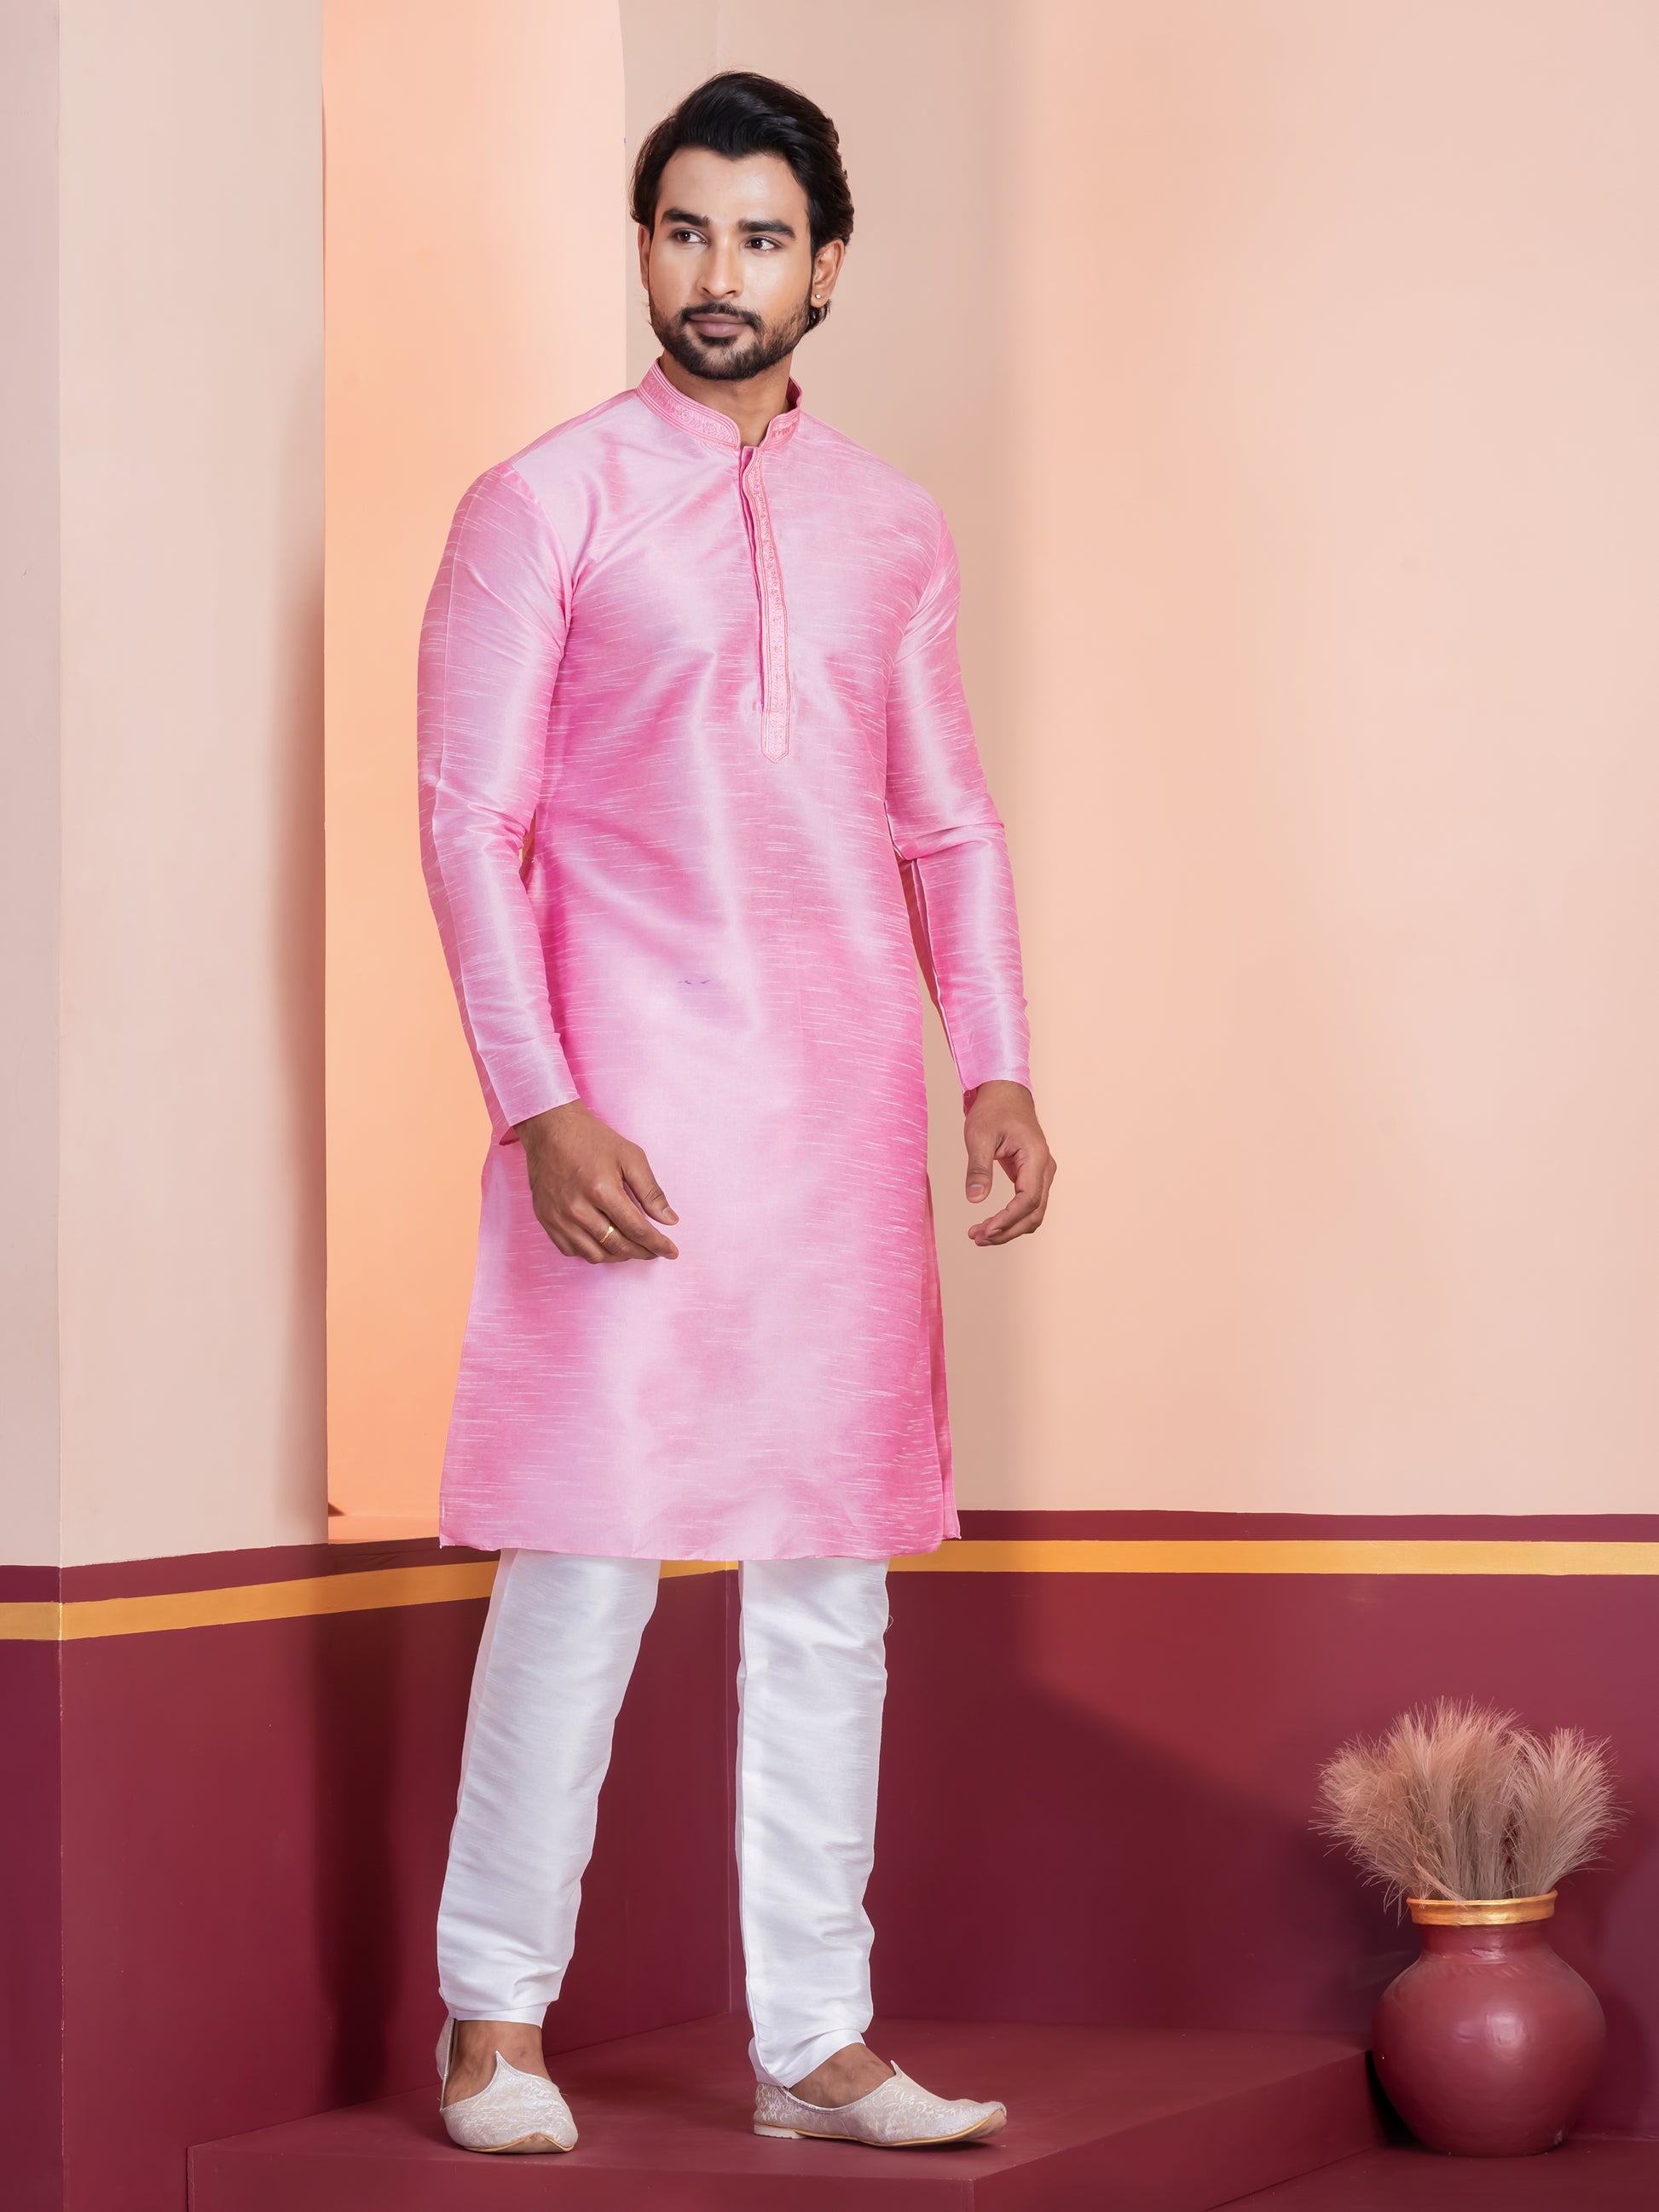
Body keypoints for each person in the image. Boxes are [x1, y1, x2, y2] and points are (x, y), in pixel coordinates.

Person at [417, 69, 1055, 2157]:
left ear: (825, 267)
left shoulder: (892, 527)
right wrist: (540, 1104)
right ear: (644, 248)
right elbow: (470, 824)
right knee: (584, 1562)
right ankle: (492, 2019)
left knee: (828, 1579)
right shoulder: (543, 502)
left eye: (760, 237)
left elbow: (946, 823)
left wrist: (993, 1059)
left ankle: (818, 2039)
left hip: (839, 1114)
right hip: (624, 1117)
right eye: (686, 229)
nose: (719, 272)